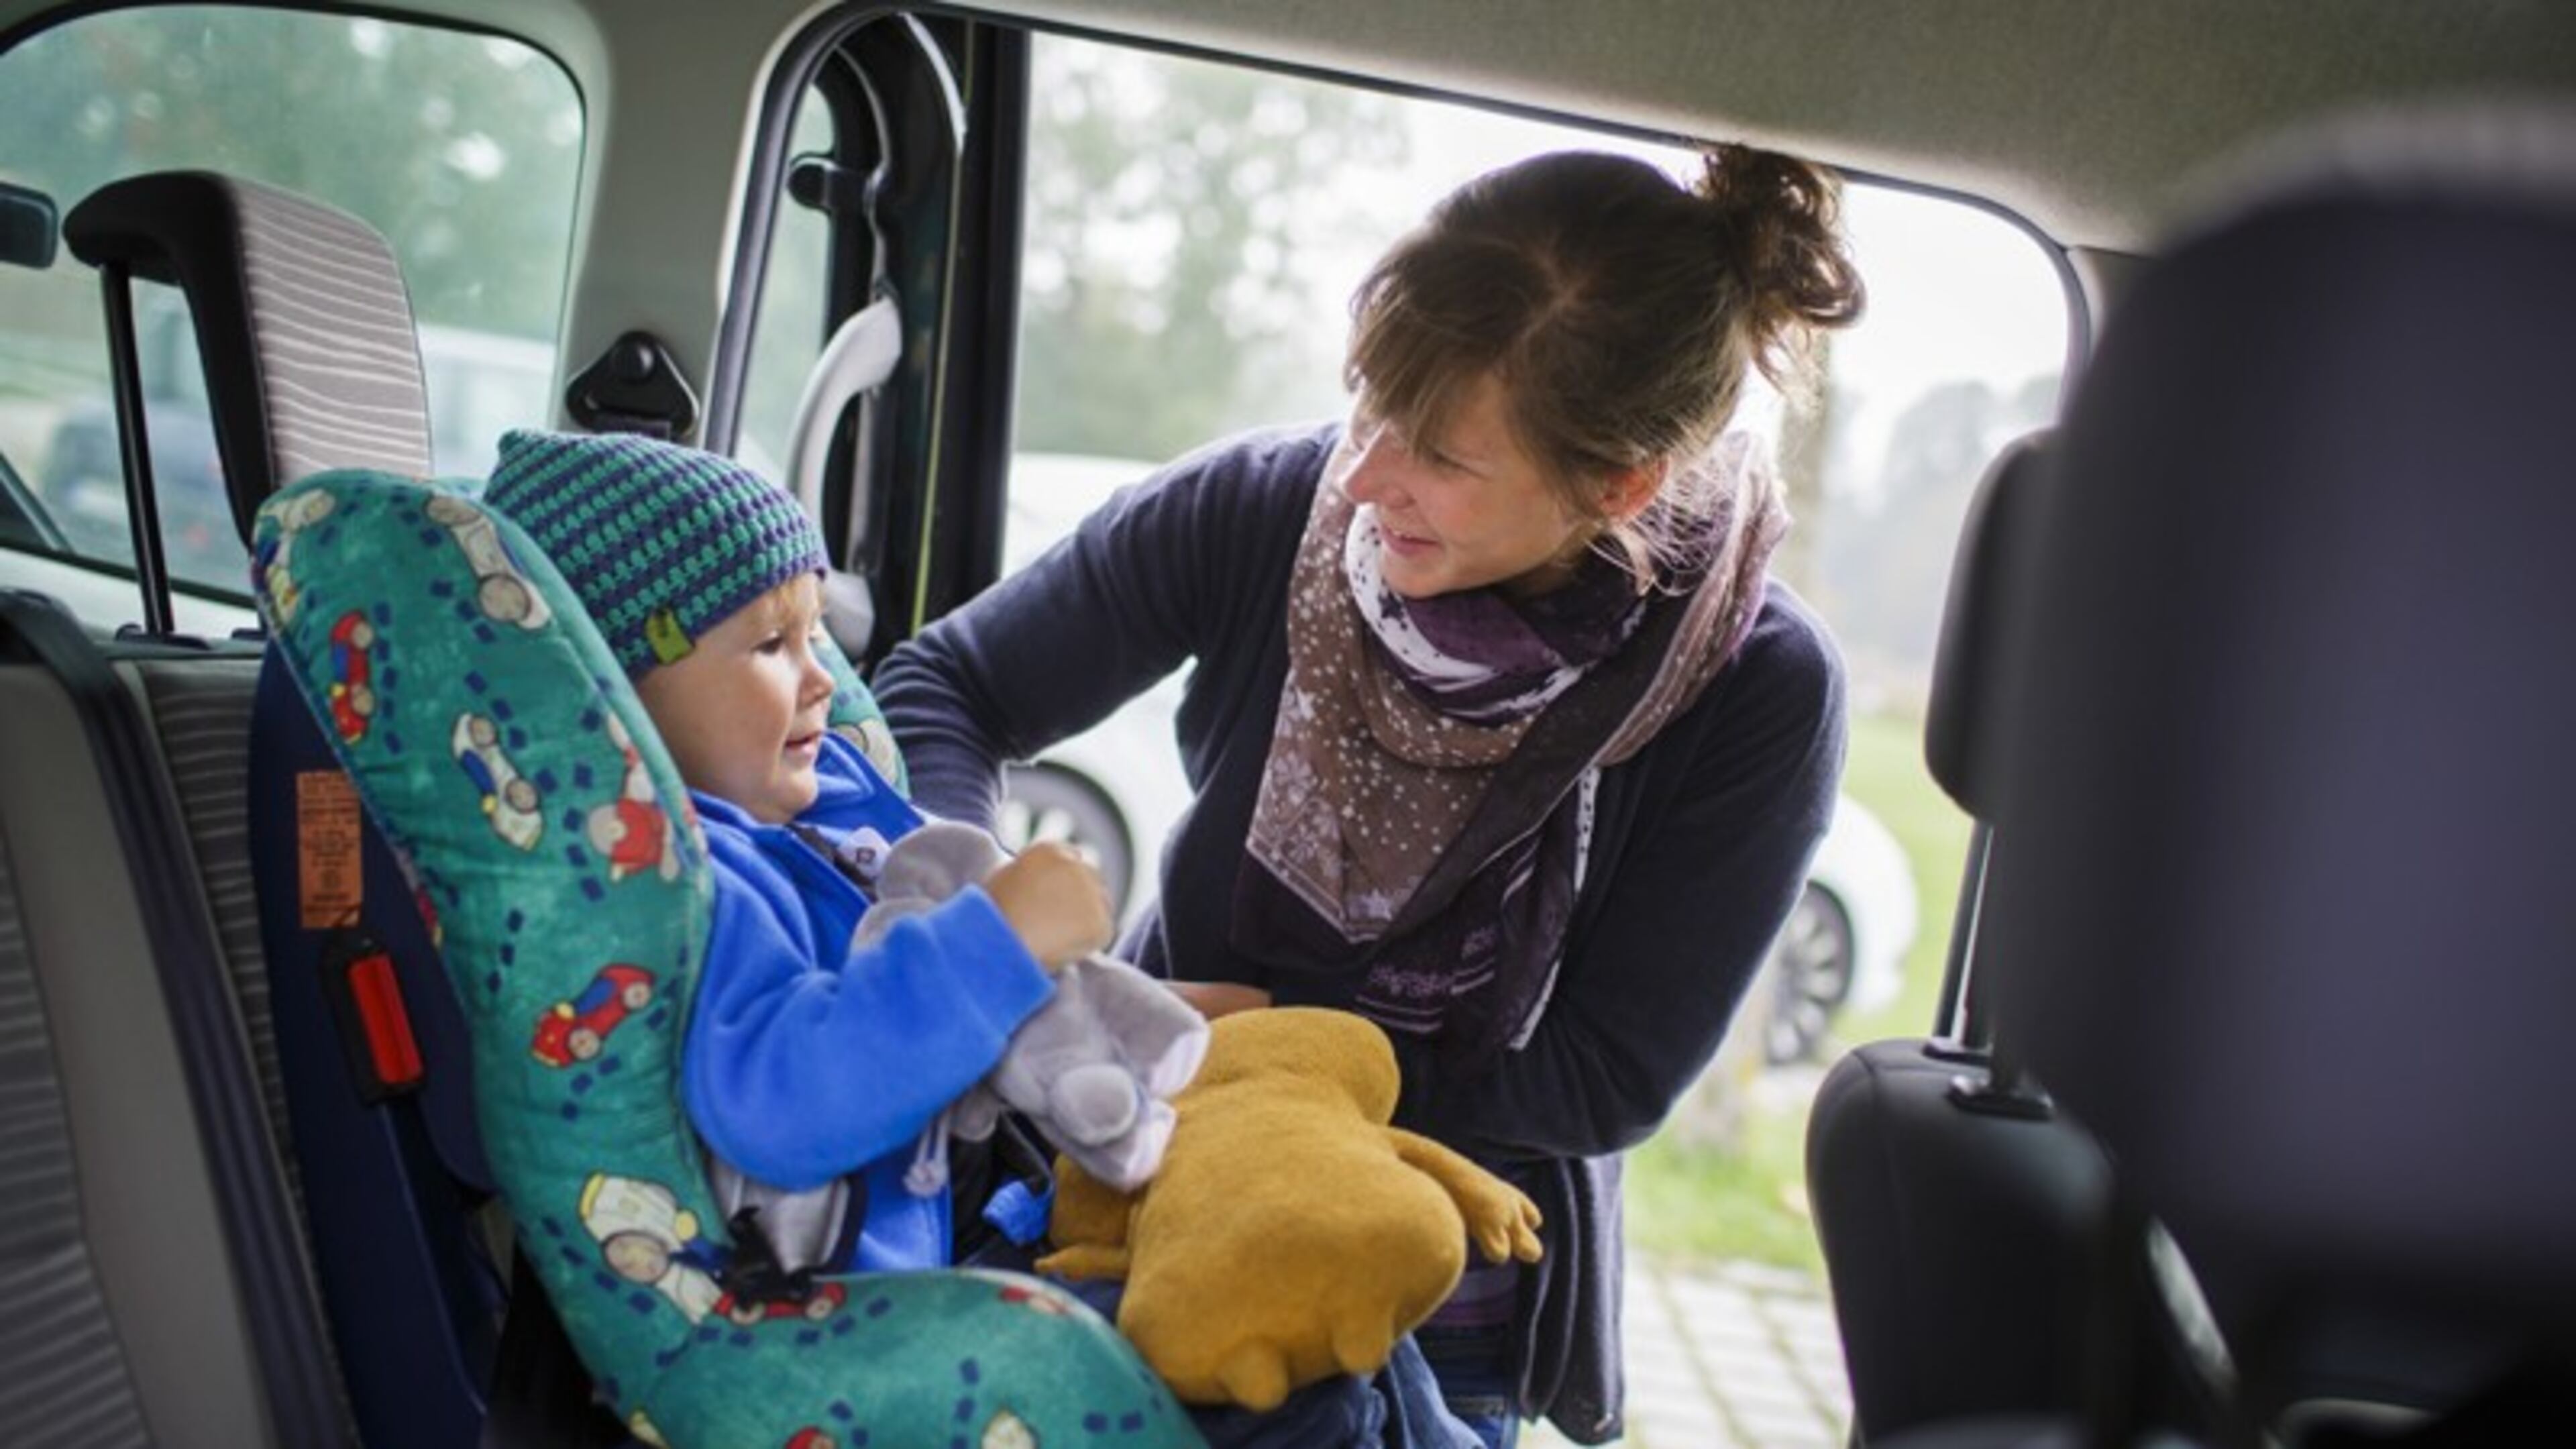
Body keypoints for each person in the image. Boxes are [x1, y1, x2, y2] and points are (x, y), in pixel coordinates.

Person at [872, 143, 1865, 1446]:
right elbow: (950, 686)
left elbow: (1603, 1079)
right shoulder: (1263, 508)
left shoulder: (1760, 692)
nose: (1363, 476)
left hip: (1450, 1281)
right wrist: (969, 913)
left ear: (1617, 485)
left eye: (1442, 457)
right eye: (1368, 404)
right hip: (1147, 1191)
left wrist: (1274, 1038)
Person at [484, 427, 1115, 1280]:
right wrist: (997, 943)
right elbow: (783, 1102)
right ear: (616, 692)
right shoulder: (690, 883)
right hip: (879, 1309)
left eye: (817, 638)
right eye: (773, 645)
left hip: (990, 1209)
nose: (822, 679)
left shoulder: (816, 819)